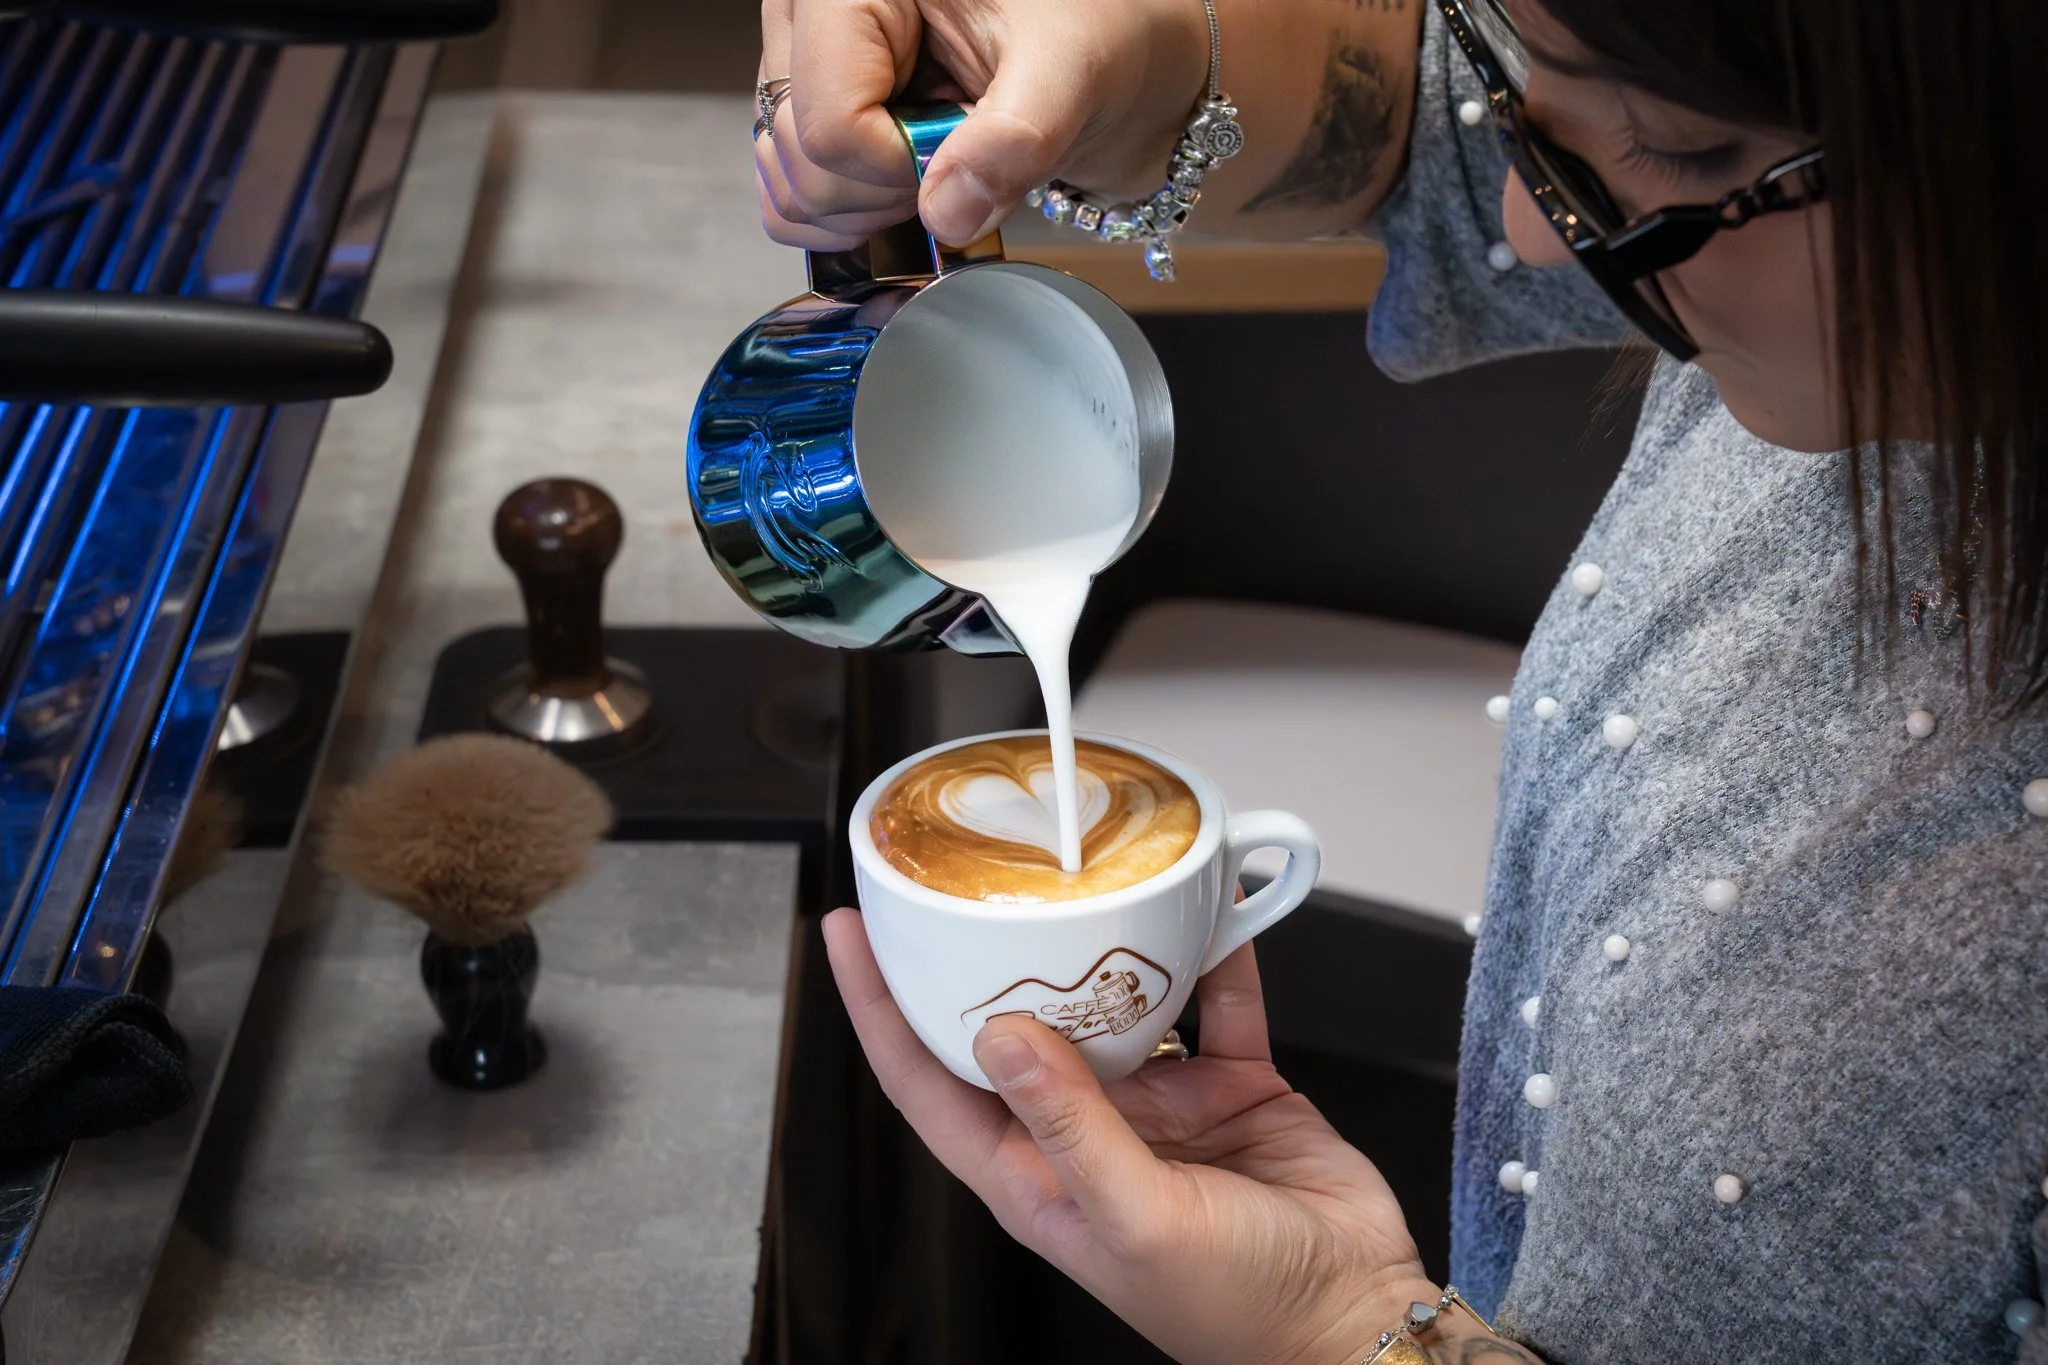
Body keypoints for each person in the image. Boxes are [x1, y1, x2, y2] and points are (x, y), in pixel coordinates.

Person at [755, 0, 2048, 1358]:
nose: (1537, 226)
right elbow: (1426, 119)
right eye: (1527, 86)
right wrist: (1105, 54)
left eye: (1684, 145)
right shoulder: (1805, 237)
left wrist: (1340, 1338)